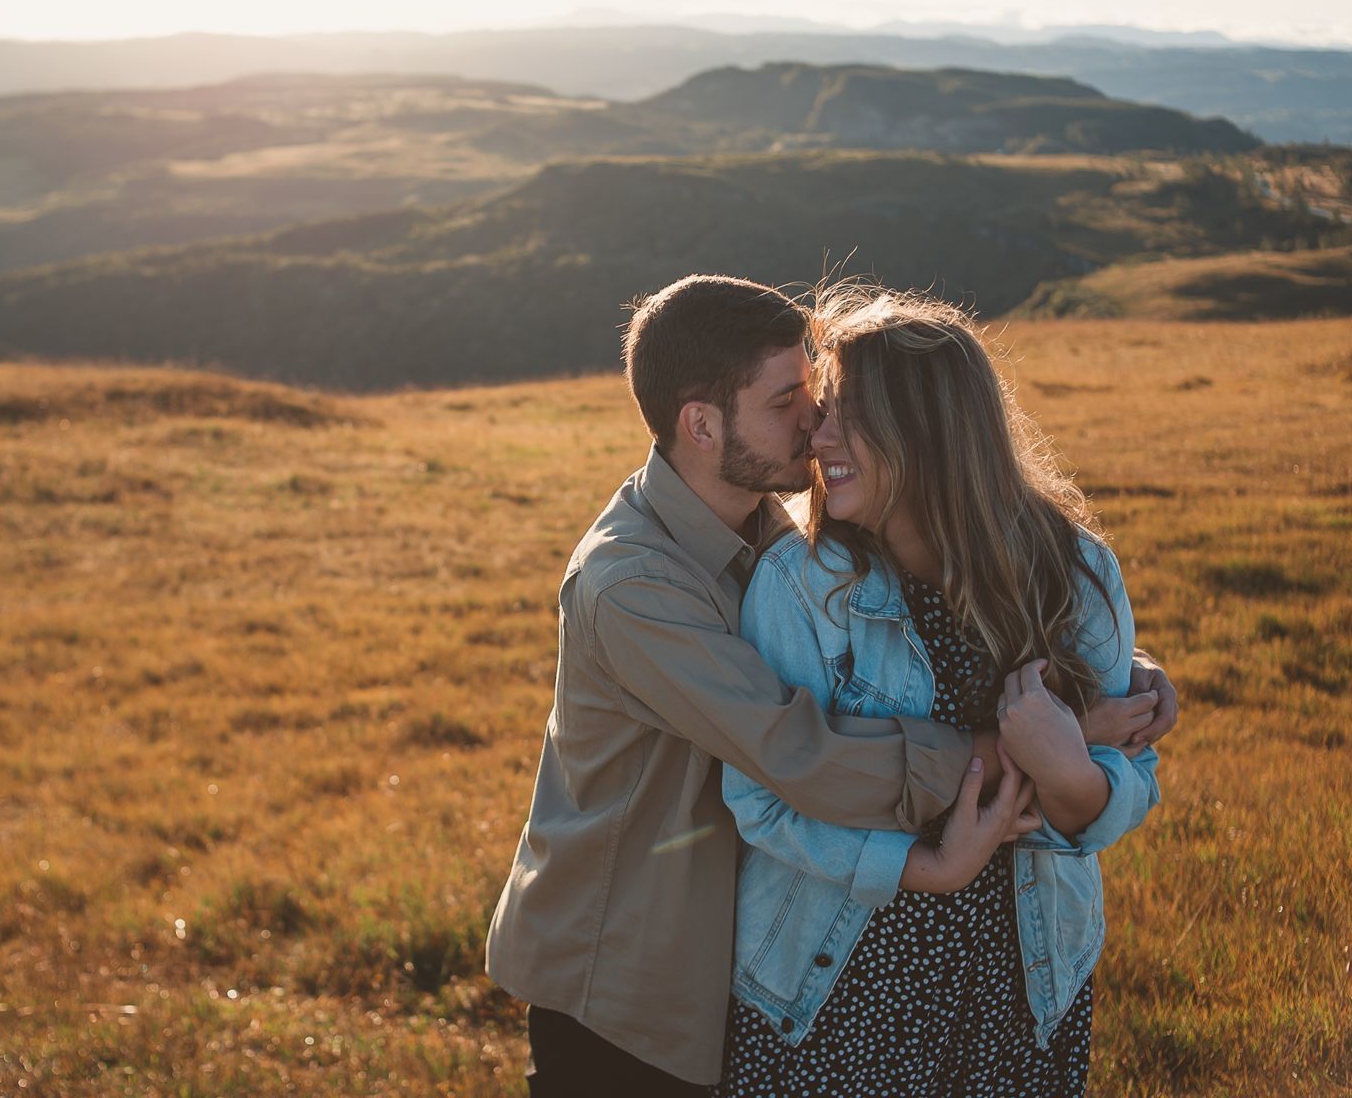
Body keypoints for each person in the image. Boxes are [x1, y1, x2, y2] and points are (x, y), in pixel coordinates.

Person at [484, 274, 1177, 1096]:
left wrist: (1124, 677)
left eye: (819, 397)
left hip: (750, 953)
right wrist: (1046, 744)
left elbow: (994, 592)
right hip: (626, 973)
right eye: (788, 402)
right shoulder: (631, 585)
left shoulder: (769, 528)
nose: (813, 424)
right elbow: (796, 753)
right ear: (702, 426)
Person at [714, 288, 1162, 1097]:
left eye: (848, 412)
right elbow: (763, 802)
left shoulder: (1077, 574)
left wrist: (1069, 774)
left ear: (930, 431)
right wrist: (924, 862)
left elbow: (1127, 779)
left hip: (1022, 996)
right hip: (832, 1002)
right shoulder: (801, 586)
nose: (817, 435)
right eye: (821, 410)